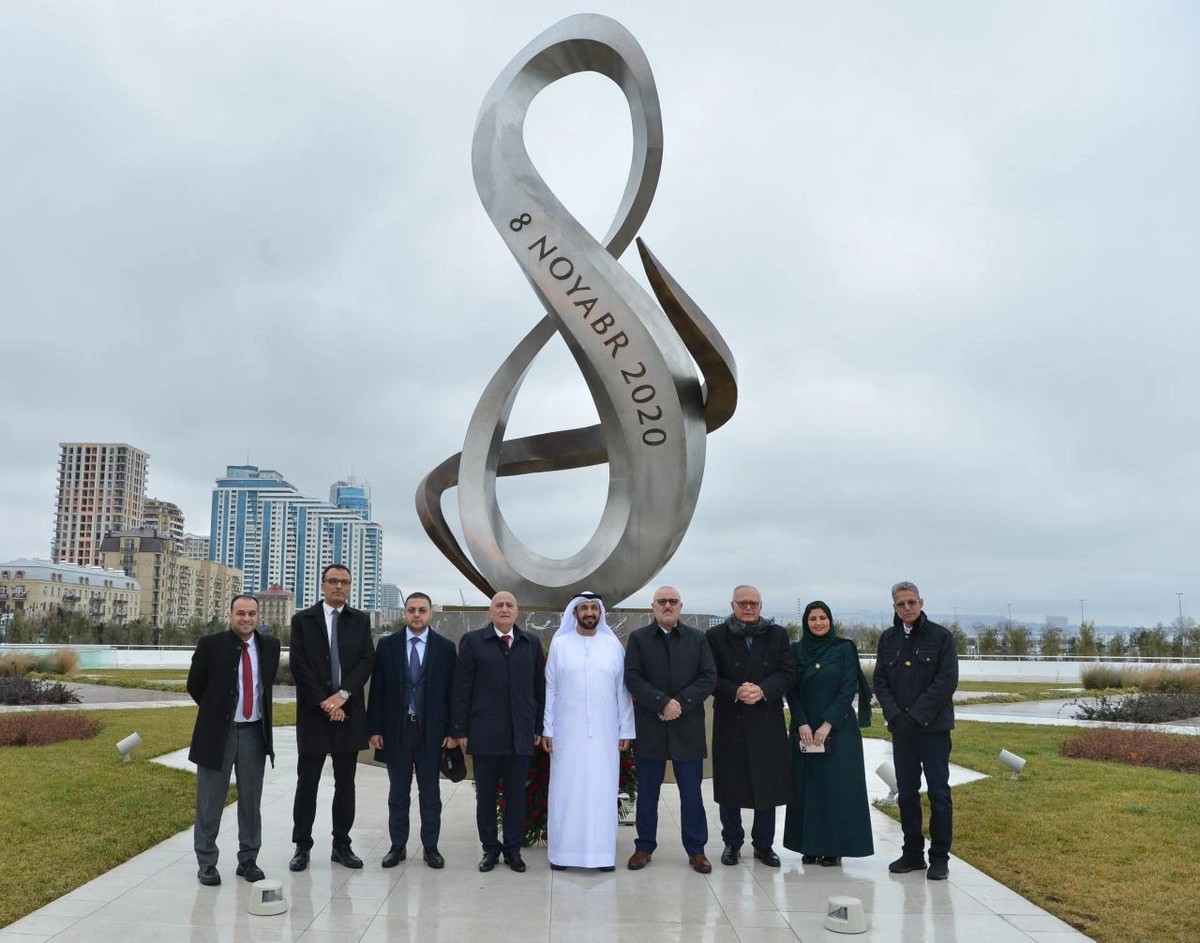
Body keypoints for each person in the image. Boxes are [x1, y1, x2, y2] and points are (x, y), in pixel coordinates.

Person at [287, 563, 376, 872]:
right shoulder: (303, 620)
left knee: (345, 784)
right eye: (333, 581)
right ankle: (302, 845)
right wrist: (326, 703)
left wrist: (343, 695)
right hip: (314, 713)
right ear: (322, 585)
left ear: (350, 587)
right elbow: (298, 664)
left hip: (348, 714)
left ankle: (342, 844)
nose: (339, 586)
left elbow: (366, 661)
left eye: (345, 582)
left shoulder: (360, 621)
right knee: (307, 783)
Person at [188, 593, 280, 886]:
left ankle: (248, 859)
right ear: (231, 615)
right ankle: (207, 862)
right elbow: (195, 685)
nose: (246, 619)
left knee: (251, 801)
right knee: (209, 800)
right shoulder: (211, 645)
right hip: (218, 734)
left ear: (258, 616)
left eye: (252, 614)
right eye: (241, 613)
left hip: (255, 732)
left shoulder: (270, 646)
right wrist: (218, 713)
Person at [623, 585, 717, 873]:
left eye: (672, 601)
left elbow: (708, 677)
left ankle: (696, 850)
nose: (667, 605)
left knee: (691, 793)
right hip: (651, 726)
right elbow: (632, 677)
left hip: (686, 728)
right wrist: (662, 703)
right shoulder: (638, 640)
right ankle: (643, 847)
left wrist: (681, 704)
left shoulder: (697, 640)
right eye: (662, 601)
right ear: (653, 607)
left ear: (680, 606)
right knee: (648, 792)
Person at [451, 590, 545, 873]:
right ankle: (490, 849)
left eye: (509, 605)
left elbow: (539, 689)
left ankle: (513, 850)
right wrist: (461, 728)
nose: (504, 609)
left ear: (517, 612)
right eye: (498, 605)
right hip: (485, 733)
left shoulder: (531, 643)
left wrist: (538, 726)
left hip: (521, 734)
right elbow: (461, 688)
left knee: (516, 796)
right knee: (487, 797)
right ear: (490, 612)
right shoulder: (473, 642)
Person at [873, 581, 959, 881]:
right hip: (902, 731)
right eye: (901, 604)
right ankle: (912, 853)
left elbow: (946, 681)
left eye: (912, 602)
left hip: (933, 730)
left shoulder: (941, 637)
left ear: (921, 602)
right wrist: (895, 716)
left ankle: (939, 857)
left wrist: (917, 716)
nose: (907, 608)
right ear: (894, 607)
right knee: (907, 794)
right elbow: (880, 682)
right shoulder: (888, 639)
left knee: (938, 793)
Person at [543, 592, 635, 872]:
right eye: (583, 607)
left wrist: (626, 729)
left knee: (601, 790)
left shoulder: (612, 646)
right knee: (566, 791)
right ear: (574, 613)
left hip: (605, 734)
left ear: (600, 613)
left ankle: (601, 855)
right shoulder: (560, 645)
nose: (589, 612)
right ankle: (562, 854)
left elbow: (623, 691)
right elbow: (551, 690)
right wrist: (548, 728)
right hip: (566, 733)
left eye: (594, 608)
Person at [707, 585, 796, 867]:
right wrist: (736, 691)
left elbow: (788, 672)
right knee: (730, 785)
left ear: (761, 606)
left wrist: (762, 690)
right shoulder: (715, 636)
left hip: (765, 719)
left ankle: (764, 844)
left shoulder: (777, 634)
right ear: (732, 605)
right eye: (742, 603)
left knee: (766, 784)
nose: (748, 607)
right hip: (730, 719)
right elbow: (710, 675)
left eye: (753, 603)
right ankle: (732, 843)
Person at [367, 592, 457, 869]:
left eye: (422, 610)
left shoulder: (445, 647)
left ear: (431, 614)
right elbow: (378, 689)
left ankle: (431, 846)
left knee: (430, 793)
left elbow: (453, 692)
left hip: (431, 732)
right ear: (404, 613)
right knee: (398, 792)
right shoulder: (388, 646)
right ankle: (398, 846)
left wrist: (453, 730)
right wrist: (375, 728)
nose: (416, 615)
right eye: (411, 610)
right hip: (398, 731)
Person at [782, 600, 874, 866]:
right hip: (804, 730)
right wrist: (801, 723)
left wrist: (826, 724)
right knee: (806, 788)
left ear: (830, 620)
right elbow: (792, 690)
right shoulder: (796, 650)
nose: (818, 623)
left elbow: (848, 689)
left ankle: (834, 847)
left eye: (823, 618)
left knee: (836, 789)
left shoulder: (844, 648)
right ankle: (808, 846)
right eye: (813, 619)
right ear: (806, 623)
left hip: (839, 729)